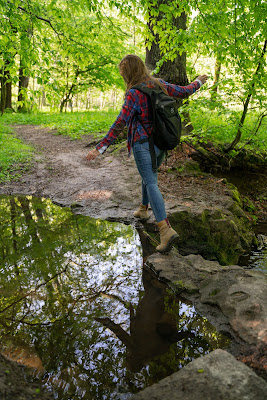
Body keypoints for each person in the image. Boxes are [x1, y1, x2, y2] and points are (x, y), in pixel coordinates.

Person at [86, 54, 208, 253]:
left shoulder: (133, 93)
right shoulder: (158, 84)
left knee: (151, 181)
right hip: (161, 142)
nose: (122, 76)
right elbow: (184, 92)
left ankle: (165, 229)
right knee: (149, 174)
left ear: (129, 72)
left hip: (143, 145)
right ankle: (143, 209)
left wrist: (100, 148)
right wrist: (198, 82)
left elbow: (120, 123)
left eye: (123, 72)